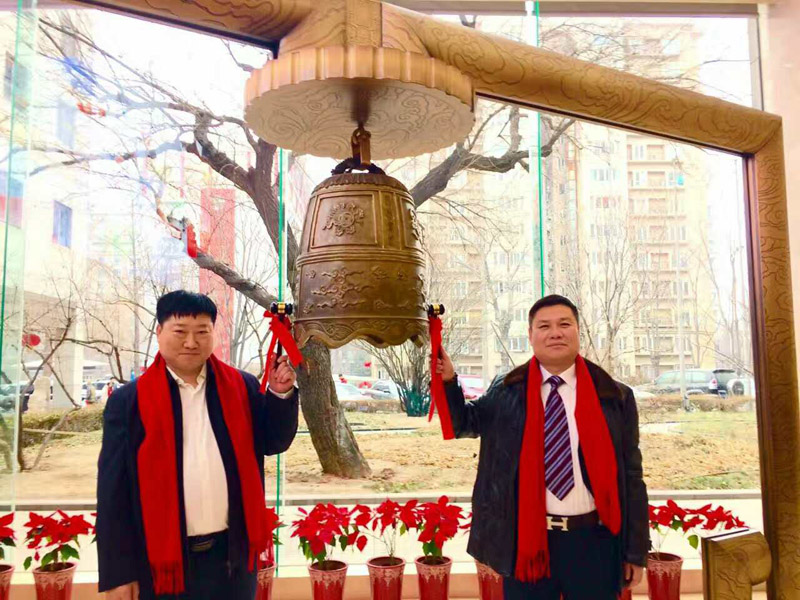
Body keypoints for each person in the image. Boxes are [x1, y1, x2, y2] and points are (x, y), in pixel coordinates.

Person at [436, 294, 647, 599]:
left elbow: (632, 476)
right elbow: (464, 424)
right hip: (528, 542)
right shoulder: (507, 390)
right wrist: (448, 381)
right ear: (531, 335)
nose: (555, 333)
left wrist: (636, 551)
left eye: (565, 324)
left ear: (578, 331)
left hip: (596, 542)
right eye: (544, 326)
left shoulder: (614, 396)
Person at [97, 290, 300, 600]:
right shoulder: (129, 402)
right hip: (160, 564)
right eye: (180, 331)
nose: (191, 342)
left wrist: (280, 394)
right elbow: (113, 493)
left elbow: (273, 441)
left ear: (213, 333)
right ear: (159, 331)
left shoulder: (241, 387)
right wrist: (119, 575)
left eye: (202, 332)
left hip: (232, 558)